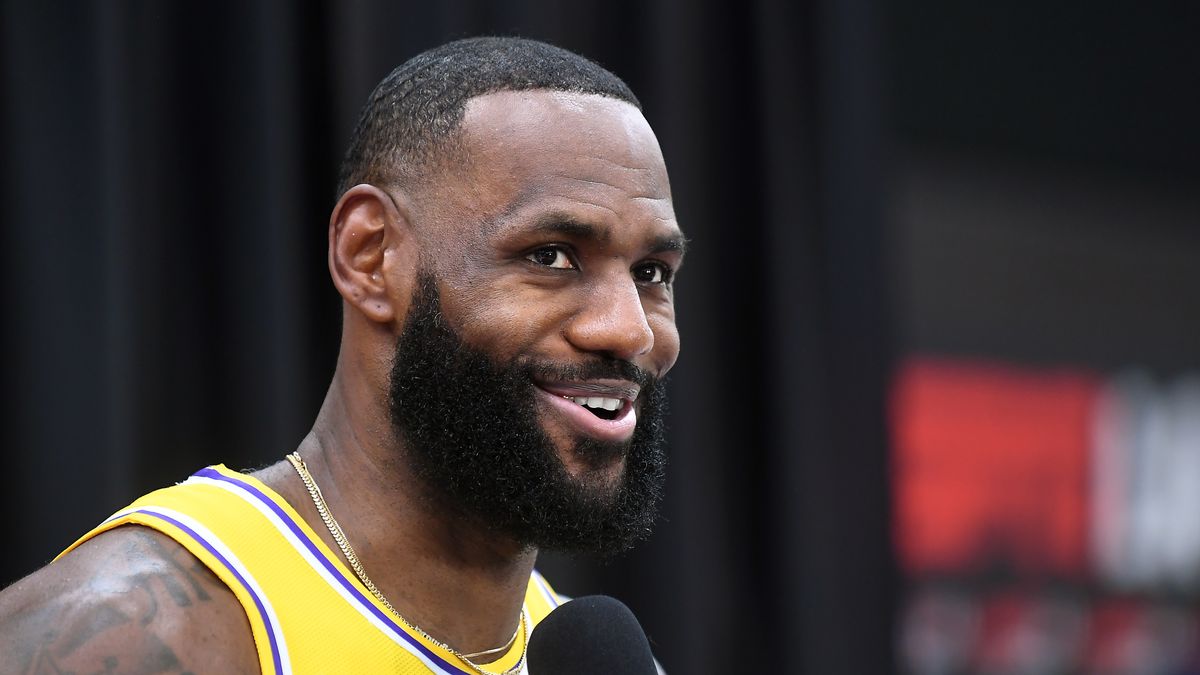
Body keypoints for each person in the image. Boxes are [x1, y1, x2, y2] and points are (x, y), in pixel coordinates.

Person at [0, 37, 684, 674]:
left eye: (652, 272)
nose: (630, 332)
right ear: (370, 256)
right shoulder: (134, 634)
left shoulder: (575, 647)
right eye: (550, 256)